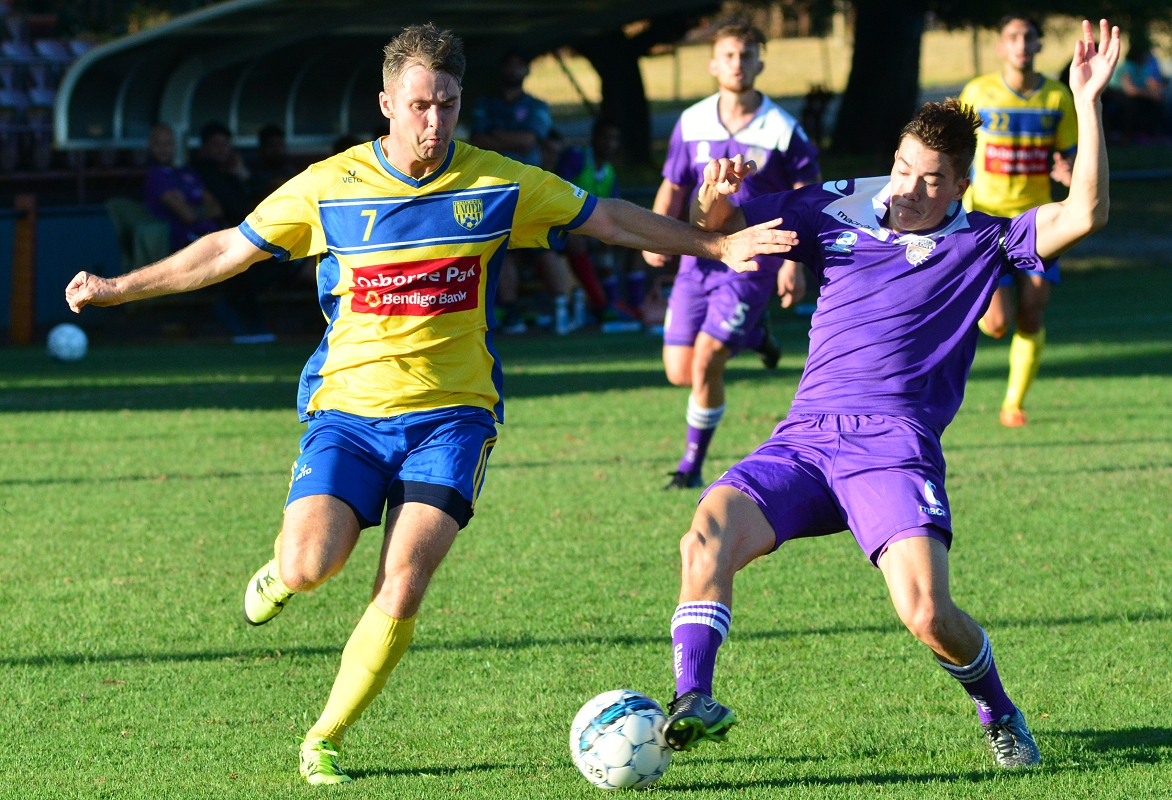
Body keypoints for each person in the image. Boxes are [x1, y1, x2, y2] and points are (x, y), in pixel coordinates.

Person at [64, 23, 796, 786]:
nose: (433, 122)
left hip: (454, 416)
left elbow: (606, 219)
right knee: (312, 564)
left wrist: (714, 247)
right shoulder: (331, 186)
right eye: (418, 104)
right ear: (386, 103)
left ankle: (324, 737)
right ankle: (285, 574)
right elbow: (226, 249)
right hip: (348, 412)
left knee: (404, 576)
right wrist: (120, 288)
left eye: (447, 104)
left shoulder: (497, 183)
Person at [661, 18, 1116, 770]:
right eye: (902, 168)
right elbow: (726, 229)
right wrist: (715, 201)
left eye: (930, 179)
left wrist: (1086, 102)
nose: (907, 189)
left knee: (927, 613)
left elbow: (1084, 214)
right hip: (804, 435)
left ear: (959, 187)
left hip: (893, 444)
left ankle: (998, 712)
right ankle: (691, 698)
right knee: (705, 530)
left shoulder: (982, 240)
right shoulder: (831, 206)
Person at [645, 22, 821, 490]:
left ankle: (689, 466)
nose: (737, 64)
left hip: (750, 260)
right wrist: (655, 233)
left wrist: (793, 263)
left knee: (706, 362)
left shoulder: (783, 130)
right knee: (679, 371)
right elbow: (674, 185)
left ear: (760, 62)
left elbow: (808, 200)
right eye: (728, 55)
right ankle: (753, 334)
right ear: (713, 64)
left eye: (746, 55)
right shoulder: (692, 120)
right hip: (697, 254)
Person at [961, 14, 1078, 428]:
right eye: (1013, 37)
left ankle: (1014, 404)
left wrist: (1068, 171)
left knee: (1032, 314)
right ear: (1001, 46)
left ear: (1039, 45)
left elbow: (1070, 155)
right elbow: (957, 150)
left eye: (1029, 37)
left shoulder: (1057, 97)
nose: (1022, 44)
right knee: (995, 324)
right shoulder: (978, 93)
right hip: (987, 222)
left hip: (1038, 219)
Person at [471, 49, 574, 333]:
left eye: (520, 66)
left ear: (527, 72)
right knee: (502, 251)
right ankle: (512, 312)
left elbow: (530, 140)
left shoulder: (537, 105)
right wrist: (510, 139)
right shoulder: (485, 103)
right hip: (493, 188)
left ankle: (564, 310)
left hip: (530, 188)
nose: (514, 71)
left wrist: (497, 137)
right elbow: (477, 140)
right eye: (509, 64)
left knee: (545, 247)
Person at [558, 118, 631, 320]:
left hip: (592, 227)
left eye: (614, 139)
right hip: (564, 225)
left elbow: (615, 207)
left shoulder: (609, 172)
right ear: (594, 138)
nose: (610, 143)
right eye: (605, 137)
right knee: (577, 242)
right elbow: (558, 191)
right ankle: (600, 303)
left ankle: (626, 303)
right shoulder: (576, 157)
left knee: (631, 242)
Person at [143, 124, 222, 252]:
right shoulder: (156, 176)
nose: (163, 149)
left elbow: (217, 209)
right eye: (158, 144)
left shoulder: (187, 172)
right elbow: (187, 216)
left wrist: (195, 211)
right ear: (150, 146)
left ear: (174, 145)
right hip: (182, 244)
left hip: (212, 237)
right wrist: (203, 210)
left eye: (167, 144)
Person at [191, 120, 253, 226]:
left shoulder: (232, 169)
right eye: (215, 144)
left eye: (225, 144)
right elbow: (234, 208)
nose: (221, 149)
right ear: (204, 146)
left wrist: (244, 176)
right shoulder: (201, 172)